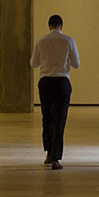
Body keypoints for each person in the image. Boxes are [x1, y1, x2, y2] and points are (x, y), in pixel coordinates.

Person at [31, 14, 80, 170]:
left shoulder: (40, 40)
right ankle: (56, 158)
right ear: (61, 26)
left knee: (47, 117)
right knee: (60, 119)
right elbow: (76, 64)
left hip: (45, 82)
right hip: (62, 82)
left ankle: (49, 153)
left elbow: (34, 63)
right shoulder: (68, 40)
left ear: (49, 26)